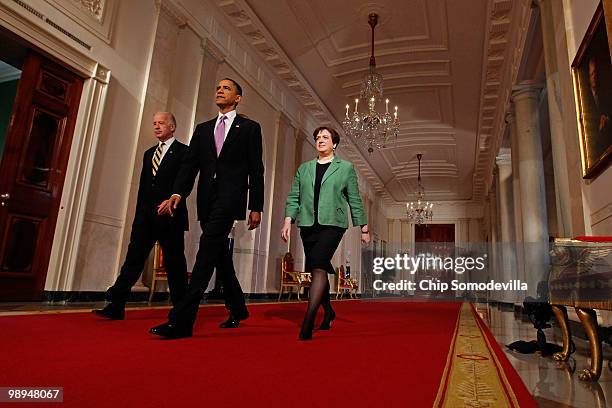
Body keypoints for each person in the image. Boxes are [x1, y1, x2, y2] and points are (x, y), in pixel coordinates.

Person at [150, 78, 264, 338]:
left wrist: (256, 206)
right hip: (206, 199)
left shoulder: (249, 128)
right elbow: (190, 165)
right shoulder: (203, 129)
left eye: (227, 88)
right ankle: (238, 307)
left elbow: (257, 169)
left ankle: (181, 320)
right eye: (218, 87)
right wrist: (178, 193)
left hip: (231, 198)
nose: (220, 90)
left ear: (238, 98)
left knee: (206, 249)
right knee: (219, 254)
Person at [93, 112, 189, 320]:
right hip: (145, 217)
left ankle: (182, 310)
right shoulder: (148, 154)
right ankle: (116, 306)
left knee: (175, 264)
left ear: (172, 127)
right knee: (133, 260)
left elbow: (184, 181)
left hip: (170, 215)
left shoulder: (184, 152)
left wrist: (175, 198)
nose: (156, 127)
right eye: (154, 123)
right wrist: (138, 216)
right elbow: (144, 189)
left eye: (161, 123)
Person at [281, 126, 370, 341]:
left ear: (334, 143)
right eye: (318, 137)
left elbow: (354, 199)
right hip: (308, 224)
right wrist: (287, 220)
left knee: (319, 264)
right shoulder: (305, 168)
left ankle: (308, 321)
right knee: (316, 268)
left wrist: (364, 227)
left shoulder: (345, 168)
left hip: (333, 224)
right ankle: (329, 312)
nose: (320, 139)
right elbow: (295, 196)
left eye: (325, 137)